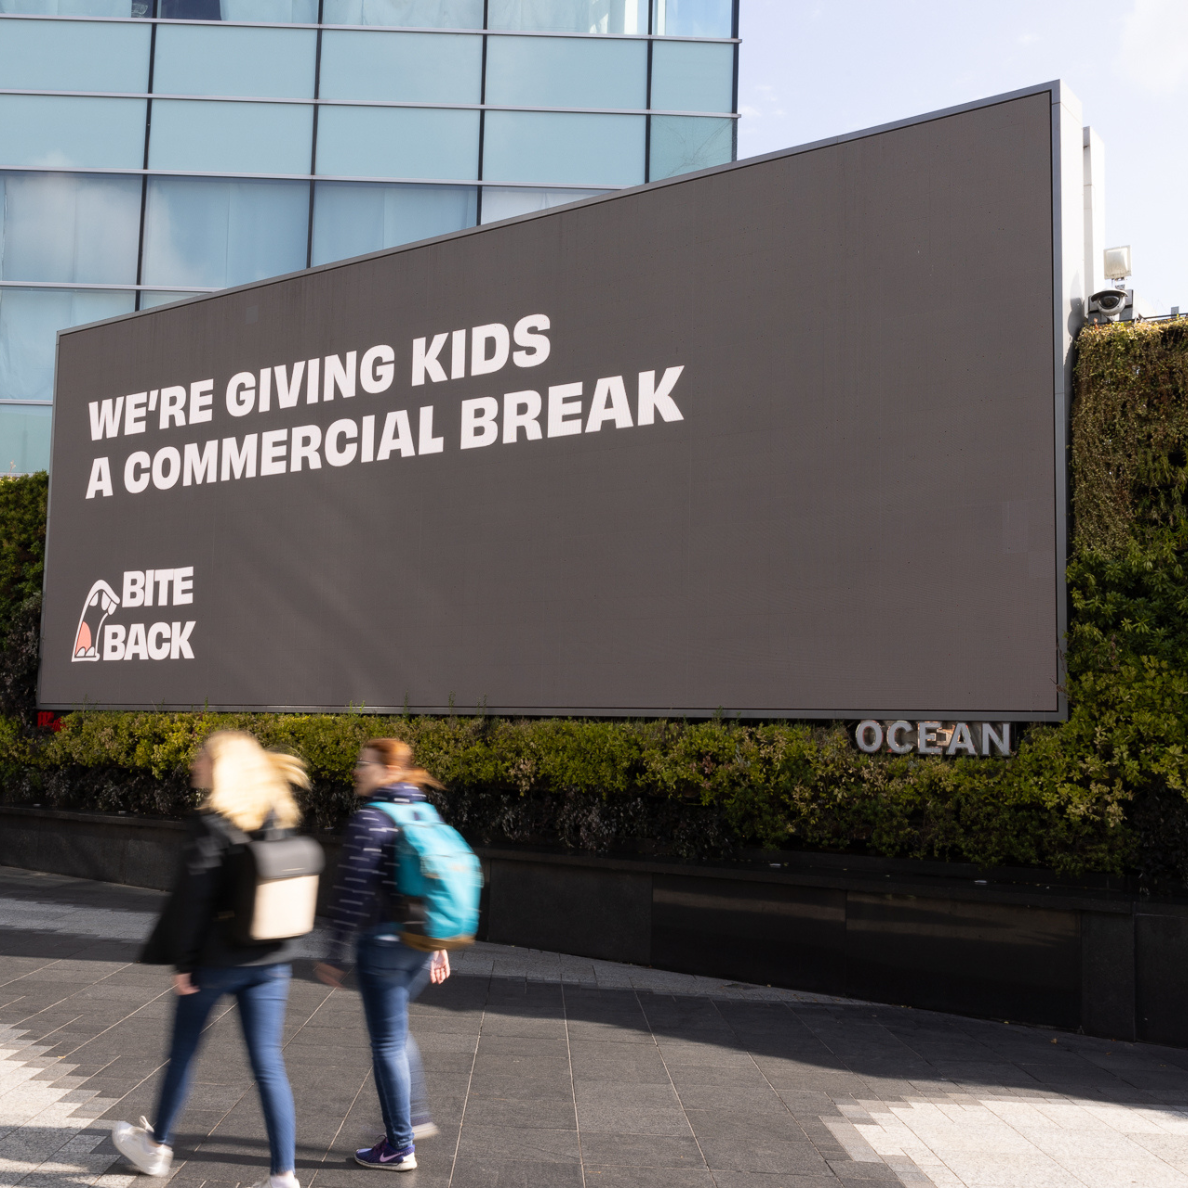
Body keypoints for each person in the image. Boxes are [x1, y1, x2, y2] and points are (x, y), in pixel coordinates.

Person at [111, 731, 311, 1188]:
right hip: (270, 960)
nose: (194, 762)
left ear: (222, 767)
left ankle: (157, 1147)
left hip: (216, 962)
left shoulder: (210, 822)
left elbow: (193, 899)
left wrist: (184, 963)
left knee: (182, 1053)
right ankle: (283, 1175)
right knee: (268, 1064)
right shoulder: (276, 815)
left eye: (202, 756)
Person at [315, 738, 451, 1173]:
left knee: (387, 1042)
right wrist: (439, 945)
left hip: (383, 946)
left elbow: (351, 892)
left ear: (388, 771)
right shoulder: (423, 811)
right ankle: (414, 1117)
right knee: (397, 1032)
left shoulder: (371, 819)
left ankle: (399, 1145)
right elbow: (435, 881)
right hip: (418, 942)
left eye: (365, 764)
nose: (358, 771)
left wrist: (334, 951)